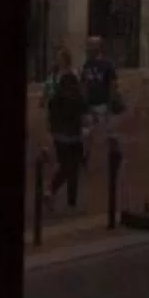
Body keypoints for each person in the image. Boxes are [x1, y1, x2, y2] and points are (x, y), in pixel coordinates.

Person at [43, 49, 89, 210]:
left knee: (65, 165)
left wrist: (52, 128)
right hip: (73, 135)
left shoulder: (57, 97)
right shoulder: (77, 97)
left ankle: (58, 194)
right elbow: (84, 113)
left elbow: (50, 109)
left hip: (60, 136)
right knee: (72, 166)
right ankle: (67, 198)